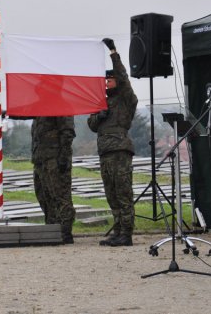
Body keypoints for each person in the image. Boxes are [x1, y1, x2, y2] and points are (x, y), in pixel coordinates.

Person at [88, 38, 138, 247]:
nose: (107, 83)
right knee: (111, 194)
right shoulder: (101, 101)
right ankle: (117, 230)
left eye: (110, 80)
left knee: (123, 192)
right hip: (105, 152)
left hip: (119, 150)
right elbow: (91, 124)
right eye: (105, 80)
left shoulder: (125, 98)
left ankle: (126, 233)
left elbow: (124, 77)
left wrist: (113, 52)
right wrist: (99, 115)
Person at [31, 116, 77, 244]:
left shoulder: (61, 106)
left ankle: (65, 232)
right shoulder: (40, 109)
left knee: (60, 196)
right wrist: (7, 113)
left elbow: (67, 133)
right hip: (40, 159)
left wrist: (63, 157)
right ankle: (52, 228)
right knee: (44, 196)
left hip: (55, 159)